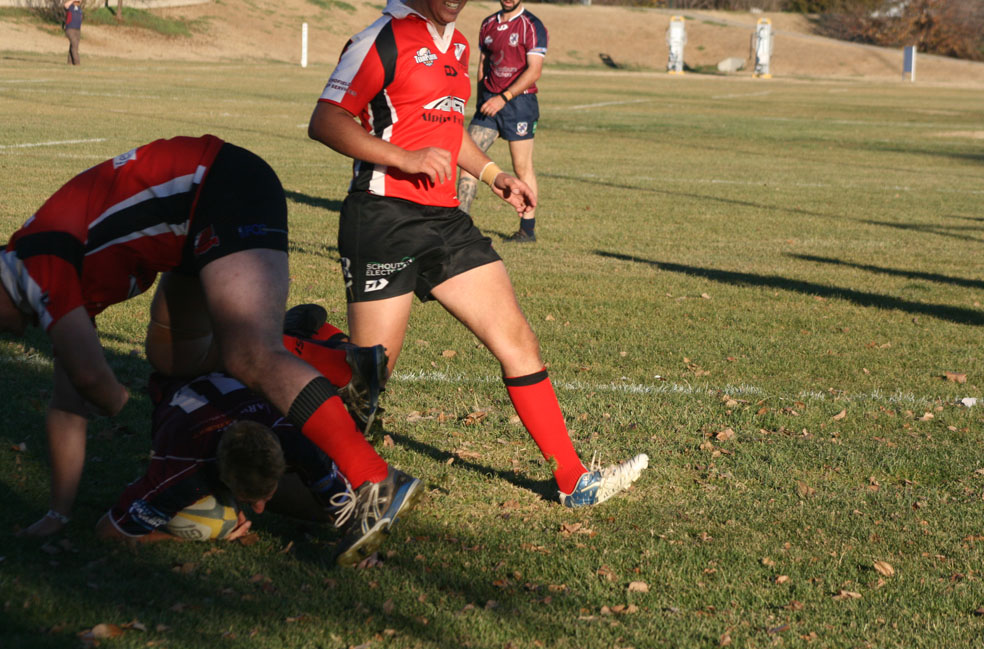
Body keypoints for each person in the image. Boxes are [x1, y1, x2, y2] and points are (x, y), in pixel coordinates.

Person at [0, 135, 422, 565]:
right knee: (173, 356)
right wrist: (57, 514)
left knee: (250, 353)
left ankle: (375, 480)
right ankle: (330, 359)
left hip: (216, 187)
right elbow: (68, 405)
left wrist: (113, 399)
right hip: (189, 219)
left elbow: (95, 383)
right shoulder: (43, 270)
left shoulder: (37, 265)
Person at [307, 0, 647, 509]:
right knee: (368, 379)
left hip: (447, 223)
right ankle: (298, 352)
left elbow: (448, 130)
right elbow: (326, 120)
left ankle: (573, 479)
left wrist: (494, 175)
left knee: (517, 340)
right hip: (383, 219)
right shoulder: (381, 38)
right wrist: (404, 158)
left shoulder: (461, 44)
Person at [97, 371, 358, 555]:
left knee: (324, 510)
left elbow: (348, 510)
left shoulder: (296, 442)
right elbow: (109, 532)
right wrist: (182, 538)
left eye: (266, 494)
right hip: (178, 373)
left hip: (223, 377)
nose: (259, 510)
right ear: (221, 477)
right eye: (249, 499)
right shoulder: (180, 472)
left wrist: (359, 543)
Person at [456, 0, 548, 243]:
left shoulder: (532, 25)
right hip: (489, 104)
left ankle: (527, 230)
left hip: (519, 104)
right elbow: (483, 65)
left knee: (522, 167)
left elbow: (534, 71)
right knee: (468, 161)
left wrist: (504, 97)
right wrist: (481, 100)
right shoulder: (488, 24)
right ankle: (460, 225)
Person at [63, 0, 82, 66]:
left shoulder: (79, 8)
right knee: (74, 45)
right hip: (70, 29)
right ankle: (77, 63)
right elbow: (65, 5)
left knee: (73, 45)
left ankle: (70, 62)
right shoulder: (70, 7)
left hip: (77, 30)